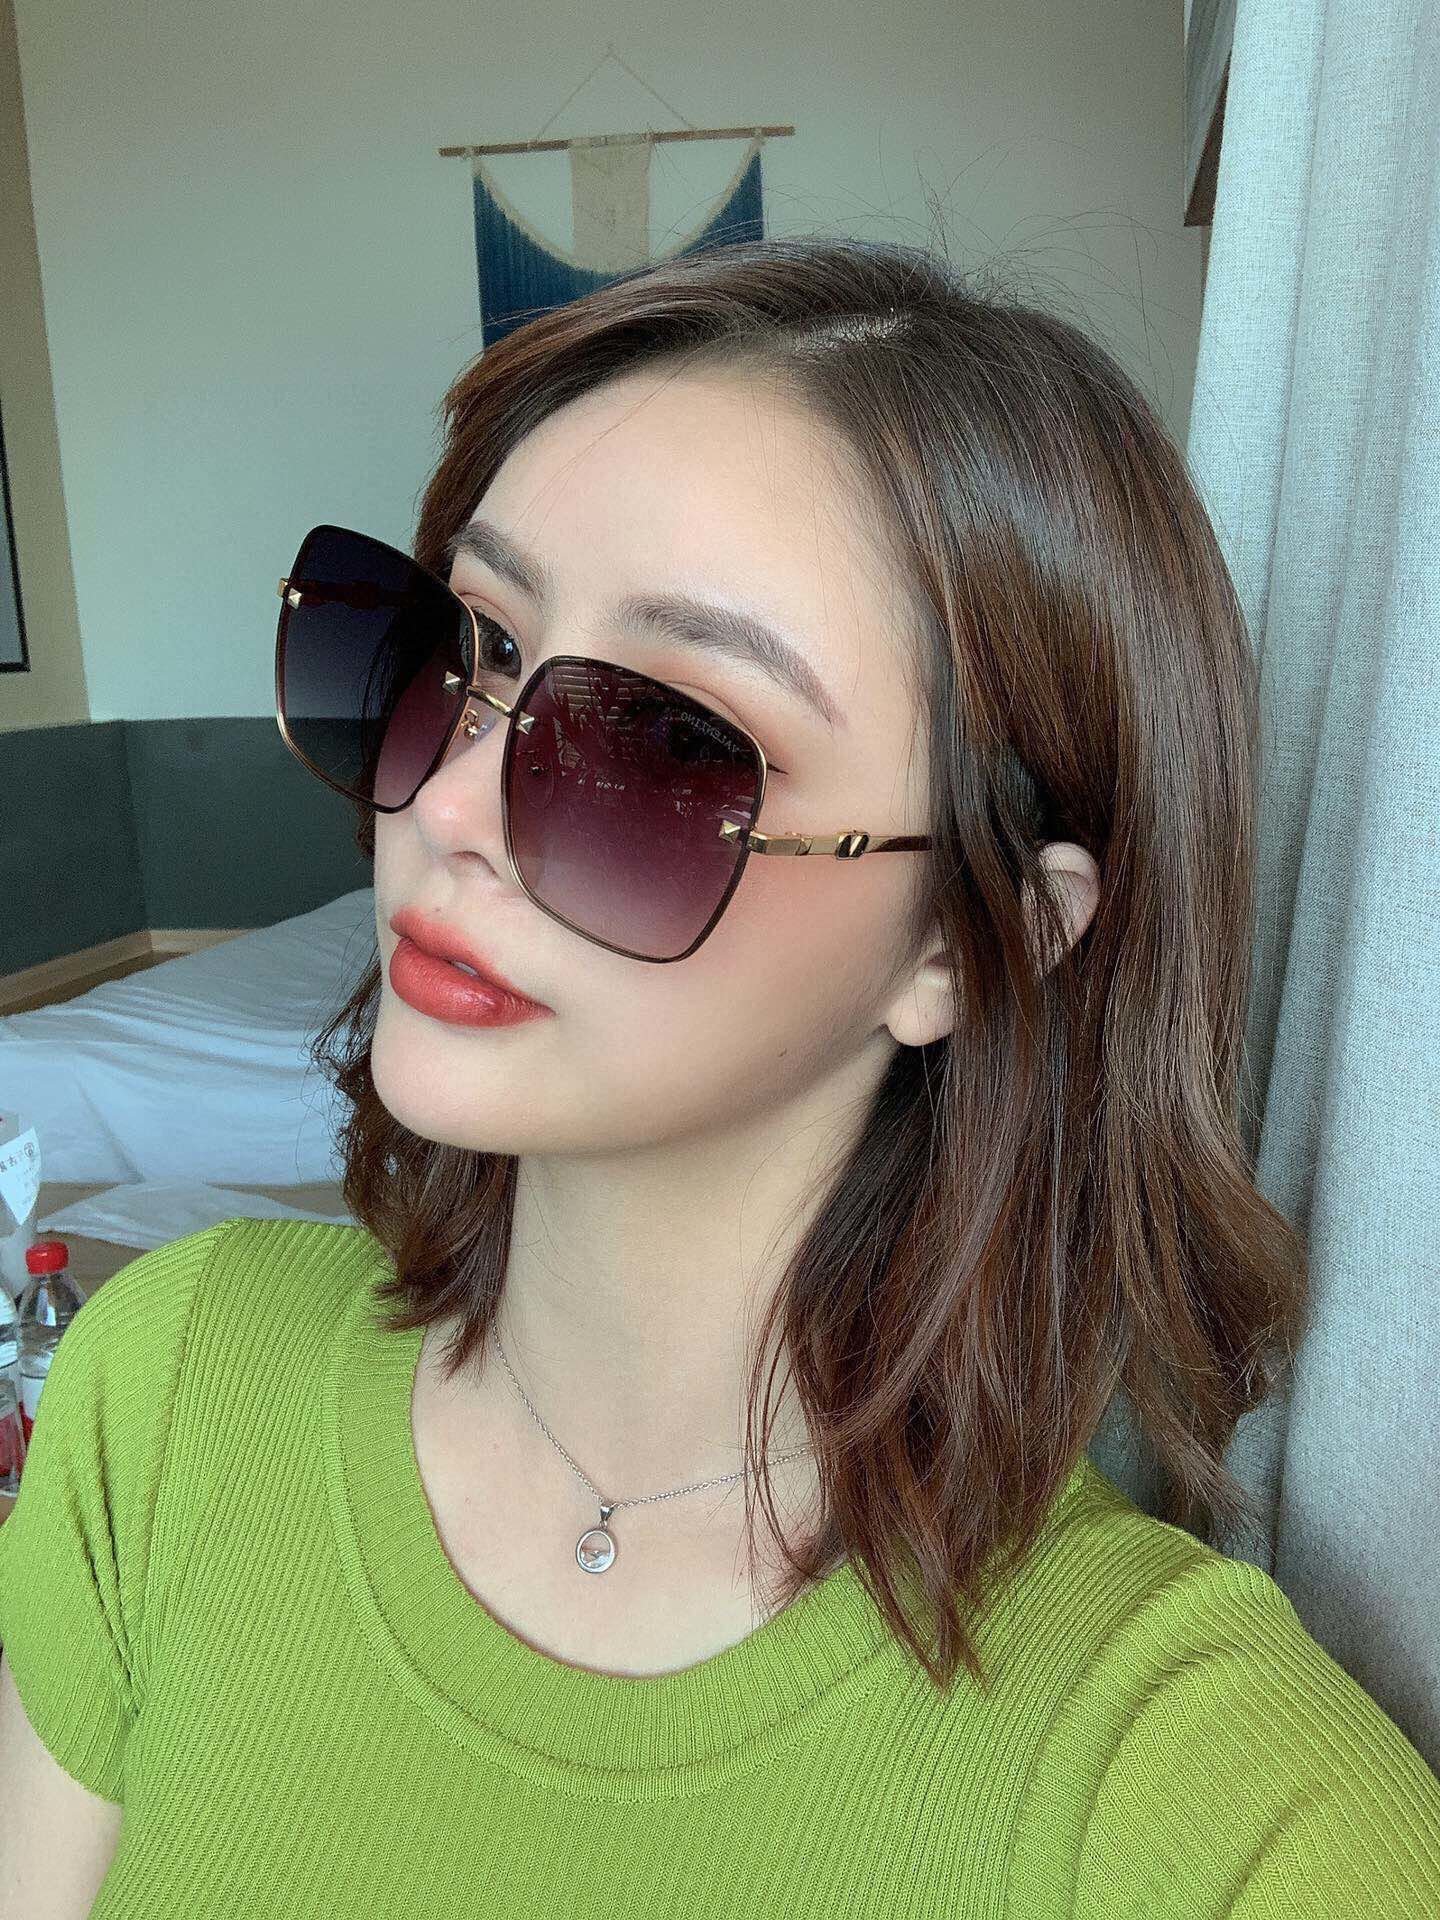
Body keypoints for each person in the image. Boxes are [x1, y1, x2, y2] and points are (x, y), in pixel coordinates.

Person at [3, 234, 1439, 1916]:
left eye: (674, 741)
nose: (447, 807)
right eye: (475, 649)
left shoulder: (1221, 1802)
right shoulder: (163, 1388)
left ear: (965, 943)